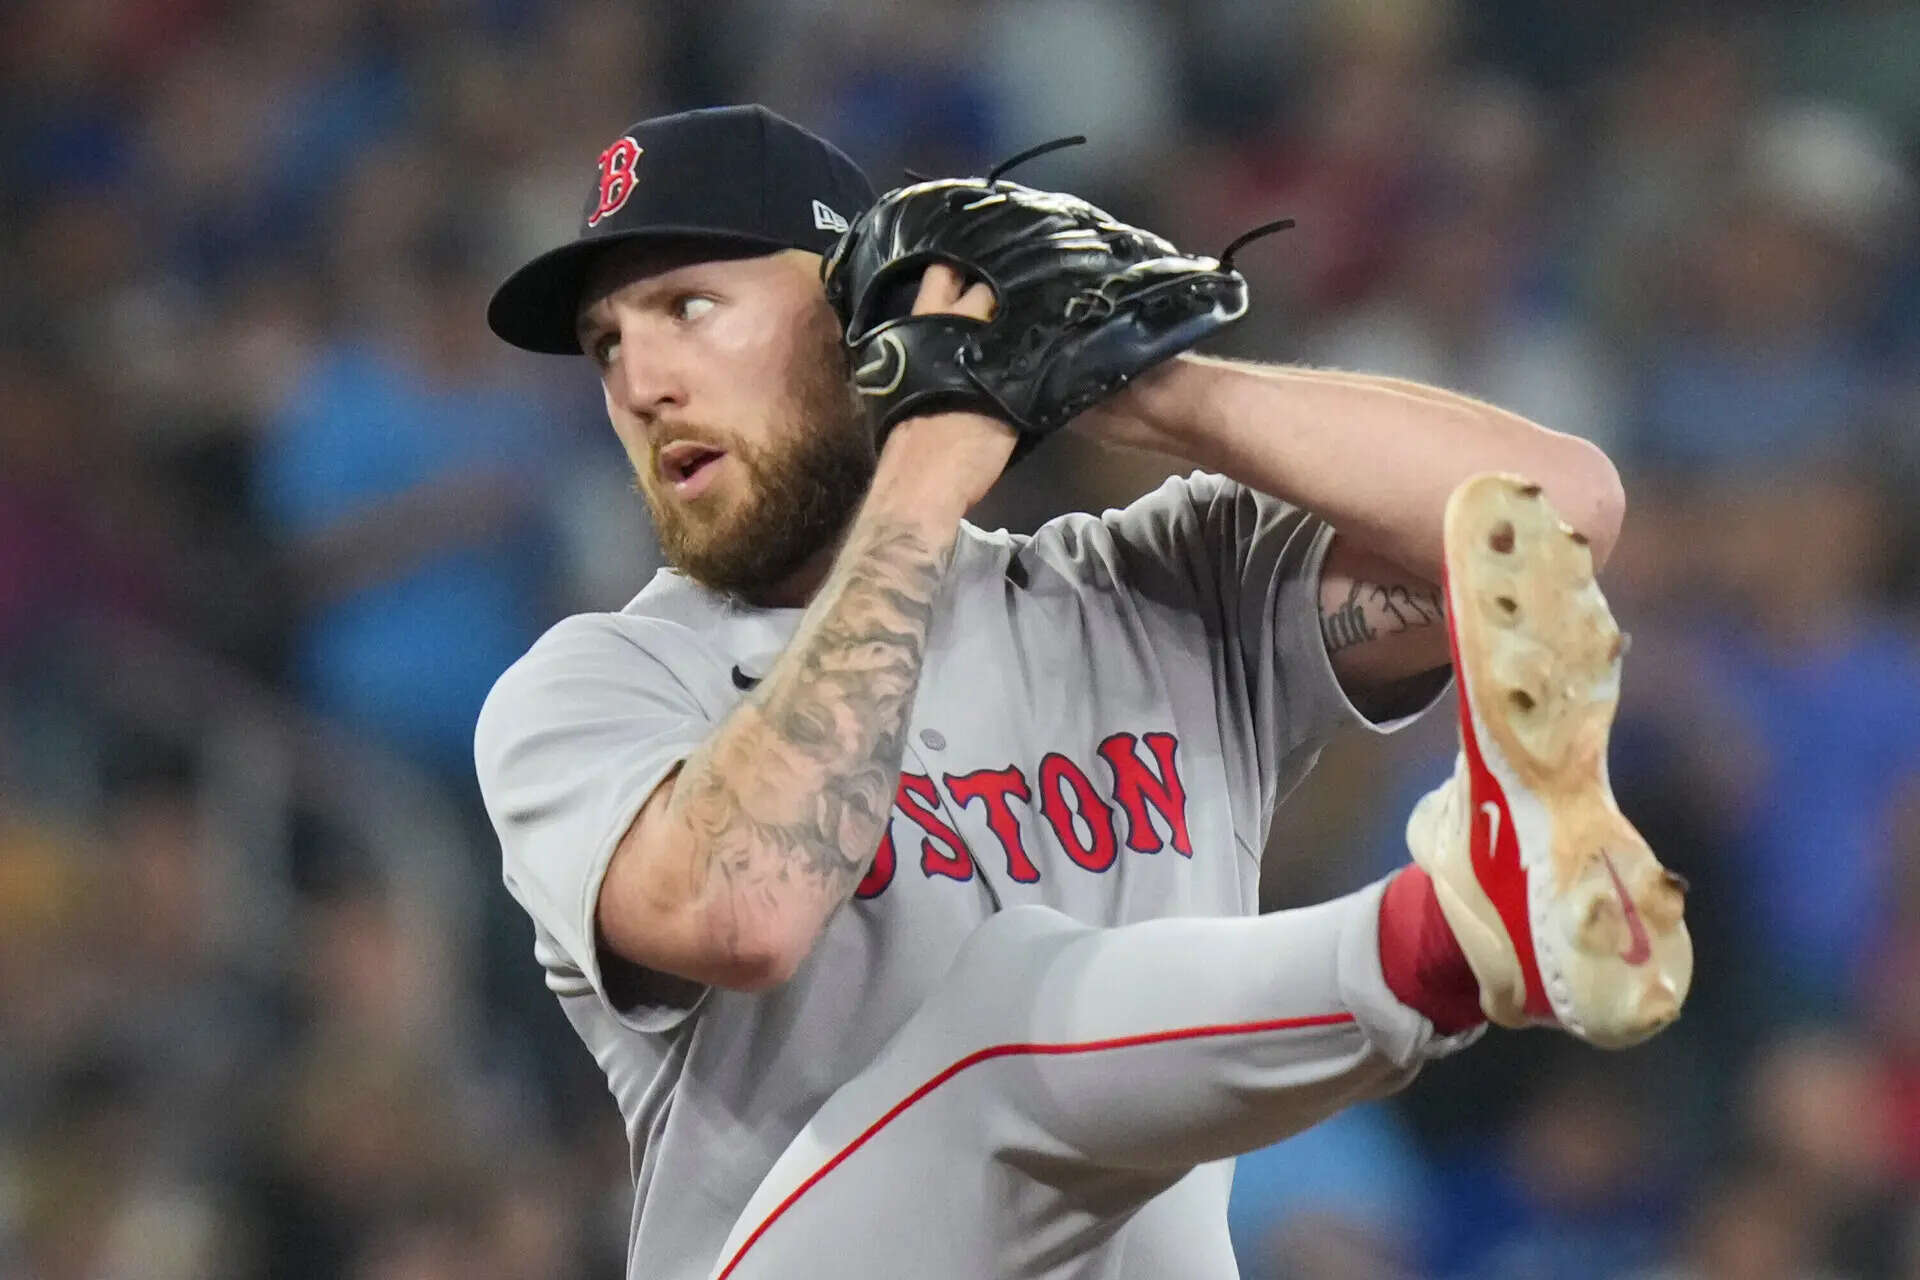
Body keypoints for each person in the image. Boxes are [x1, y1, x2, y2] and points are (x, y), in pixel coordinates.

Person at [475, 104, 1690, 1279]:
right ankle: (1456, 929)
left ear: (865, 310)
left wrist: (1143, 384)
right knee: (1007, 1003)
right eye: (608, 343)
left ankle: (1470, 922)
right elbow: (747, 910)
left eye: (688, 306)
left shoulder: (1151, 591)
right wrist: (930, 459)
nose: (640, 382)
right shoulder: (596, 684)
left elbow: (1552, 522)